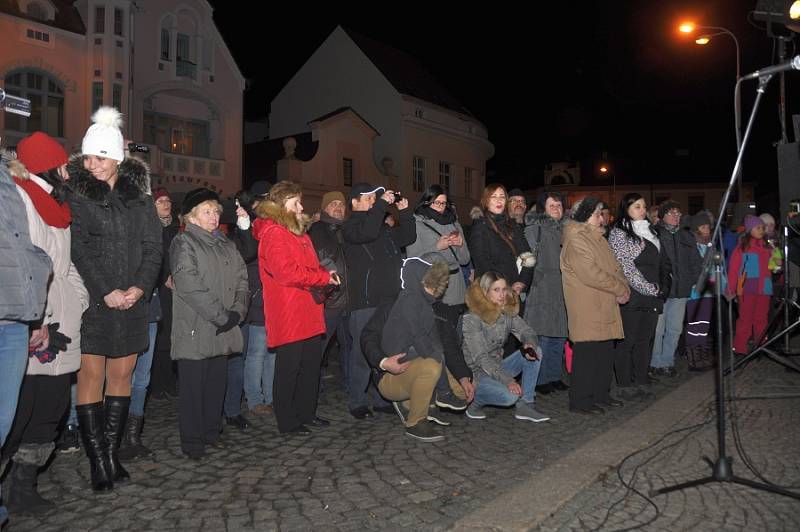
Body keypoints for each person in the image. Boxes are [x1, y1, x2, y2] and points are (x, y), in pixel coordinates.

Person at [66, 107, 162, 490]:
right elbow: (80, 248)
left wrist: (138, 288)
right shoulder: (77, 196)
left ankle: (110, 453)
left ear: (117, 159)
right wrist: (106, 291)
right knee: (91, 375)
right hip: (95, 301)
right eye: (88, 156)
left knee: (122, 376)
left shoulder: (140, 198)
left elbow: (154, 247)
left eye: (100, 157)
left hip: (132, 301)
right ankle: (97, 461)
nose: (93, 164)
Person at [3, 135, 86, 514]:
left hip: (61, 321)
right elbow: (30, 266)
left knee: (50, 410)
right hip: (35, 321)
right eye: (64, 164)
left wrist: (78, 301)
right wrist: (38, 317)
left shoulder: (55, 205)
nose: (69, 171)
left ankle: (24, 488)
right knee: (21, 409)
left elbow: (65, 268)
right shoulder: (21, 200)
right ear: (49, 166)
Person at [254, 181, 340, 434]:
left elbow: (309, 267)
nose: (302, 206)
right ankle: (287, 420)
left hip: (308, 308)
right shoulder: (274, 233)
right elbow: (285, 273)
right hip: (289, 311)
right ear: (282, 205)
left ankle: (306, 413)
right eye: (296, 202)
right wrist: (322, 278)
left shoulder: (297, 231)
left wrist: (325, 273)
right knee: (289, 369)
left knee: (311, 366)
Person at [169, 188, 248, 459]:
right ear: (191, 217)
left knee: (216, 383)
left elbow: (242, 279)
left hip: (224, 325)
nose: (214, 216)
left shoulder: (225, 242)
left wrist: (237, 311)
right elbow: (189, 285)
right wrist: (222, 316)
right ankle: (192, 441)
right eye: (207, 211)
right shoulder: (184, 243)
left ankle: (212, 432)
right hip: (196, 326)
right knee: (194, 388)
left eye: (216, 211)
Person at [362, 253, 464, 441]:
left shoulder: (429, 306)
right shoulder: (395, 302)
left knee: (442, 366)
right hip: (390, 374)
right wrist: (383, 362)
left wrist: (464, 378)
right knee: (432, 365)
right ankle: (415, 420)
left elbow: (445, 346)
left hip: (414, 360)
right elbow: (368, 336)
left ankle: (427, 402)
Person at [0, 154, 52, 527]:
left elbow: (22, 245)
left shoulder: (7, 179)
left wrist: (39, 272)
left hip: (15, 315)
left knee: (3, 421)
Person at [342, 183, 416, 419]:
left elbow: (407, 237)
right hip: (366, 301)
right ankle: (357, 401)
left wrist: (405, 213)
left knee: (385, 350)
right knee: (363, 354)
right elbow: (368, 232)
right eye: (369, 197)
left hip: (390, 299)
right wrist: (382, 205)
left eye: (376, 197)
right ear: (354, 202)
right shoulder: (351, 226)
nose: (374, 200)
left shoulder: (381, 227)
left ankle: (382, 397)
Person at [561, 197, 629, 414]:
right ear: (585, 215)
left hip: (603, 304)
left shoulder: (598, 238)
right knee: (587, 357)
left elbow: (614, 268)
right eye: (597, 213)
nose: (602, 217)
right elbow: (591, 274)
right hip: (588, 307)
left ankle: (601, 394)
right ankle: (581, 400)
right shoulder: (577, 239)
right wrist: (619, 289)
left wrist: (624, 286)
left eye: (602, 213)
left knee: (604, 354)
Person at [406, 184, 471, 409]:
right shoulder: (418, 223)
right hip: (433, 284)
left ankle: (455, 385)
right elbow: (413, 258)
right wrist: (438, 245)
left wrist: (460, 245)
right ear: (427, 202)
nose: (441, 207)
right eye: (437, 203)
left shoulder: (454, 222)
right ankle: (436, 389)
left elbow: (464, 259)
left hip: (456, 285)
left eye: (444, 203)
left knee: (455, 338)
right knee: (437, 341)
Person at [462, 271, 548, 422]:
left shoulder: (506, 312)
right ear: (485, 292)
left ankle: (526, 405)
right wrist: (508, 381)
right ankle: (476, 401)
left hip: (498, 367)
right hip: (477, 374)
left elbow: (527, 331)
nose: (502, 295)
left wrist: (529, 343)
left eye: (504, 289)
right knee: (510, 397)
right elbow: (481, 359)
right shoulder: (472, 318)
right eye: (496, 290)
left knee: (536, 351)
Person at [608, 193, 669, 401]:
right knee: (627, 341)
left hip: (652, 296)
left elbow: (662, 263)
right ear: (626, 209)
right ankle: (624, 383)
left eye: (643, 206)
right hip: (632, 295)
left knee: (645, 340)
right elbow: (625, 267)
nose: (642, 210)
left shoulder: (653, 232)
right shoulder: (619, 234)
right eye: (636, 206)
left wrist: (663, 286)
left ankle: (641, 380)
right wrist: (649, 288)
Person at [524, 191, 569, 395]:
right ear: (543, 208)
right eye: (552, 205)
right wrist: (535, 279)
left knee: (559, 335)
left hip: (563, 288)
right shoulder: (535, 229)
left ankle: (553, 375)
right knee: (542, 336)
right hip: (541, 288)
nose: (556, 209)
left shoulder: (567, 230)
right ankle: (540, 379)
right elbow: (525, 258)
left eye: (559, 206)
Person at [222, 191, 260, 431]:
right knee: (216, 365)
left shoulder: (237, 234)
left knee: (236, 362)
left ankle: (232, 410)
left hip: (237, 308)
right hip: (215, 310)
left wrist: (245, 226)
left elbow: (248, 252)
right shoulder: (214, 235)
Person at [651, 201, 702, 377]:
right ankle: (655, 362)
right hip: (663, 291)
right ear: (663, 216)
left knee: (675, 329)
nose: (676, 216)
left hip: (681, 290)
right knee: (658, 329)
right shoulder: (655, 234)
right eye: (672, 213)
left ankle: (667, 361)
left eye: (678, 213)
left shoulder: (686, 236)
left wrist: (692, 280)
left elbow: (696, 261)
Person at [309, 190, 352, 390]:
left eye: (341, 204)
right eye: (333, 204)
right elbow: (317, 259)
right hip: (330, 301)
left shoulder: (349, 231)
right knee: (317, 349)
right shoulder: (318, 229)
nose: (338, 207)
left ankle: (351, 387)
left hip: (350, 300)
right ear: (324, 208)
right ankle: (310, 388)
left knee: (350, 348)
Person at [240, 181, 276, 417]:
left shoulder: (274, 224)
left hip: (274, 296)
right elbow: (250, 257)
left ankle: (271, 397)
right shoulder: (251, 227)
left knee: (273, 353)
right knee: (257, 352)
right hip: (258, 295)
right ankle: (255, 398)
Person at [469, 184, 535, 298]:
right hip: (491, 291)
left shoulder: (512, 225)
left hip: (513, 290)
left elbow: (528, 257)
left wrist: (522, 281)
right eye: (494, 196)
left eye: (502, 196)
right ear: (486, 201)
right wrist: (499, 287)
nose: (499, 200)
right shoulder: (481, 226)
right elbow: (482, 263)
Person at [727, 215, 774, 355]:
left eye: (762, 228)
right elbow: (734, 270)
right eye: (758, 228)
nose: (761, 230)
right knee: (745, 319)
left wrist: (777, 262)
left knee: (762, 318)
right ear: (749, 230)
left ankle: (761, 344)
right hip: (747, 288)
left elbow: (773, 265)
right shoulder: (741, 248)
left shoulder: (767, 247)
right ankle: (740, 347)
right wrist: (730, 289)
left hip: (763, 288)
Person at [149, 188, 180, 401]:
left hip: (175, 290)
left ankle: (170, 381)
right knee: (159, 339)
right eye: (160, 201)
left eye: (168, 200)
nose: (166, 204)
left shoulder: (176, 229)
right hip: (157, 290)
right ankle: (157, 384)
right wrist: (163, 278)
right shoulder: (150, 228)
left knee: (171, 337)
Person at [683, 212, 716, 371]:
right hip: (694, 293)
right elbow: (692, 268)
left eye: (708, 226)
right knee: (695, 324)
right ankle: (694, 358)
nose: (707, 229)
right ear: (696, 229)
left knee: (704, 325)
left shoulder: (711, 245)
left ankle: (703, 353)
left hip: (708, 292)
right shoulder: (692, 245)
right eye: (703, 227)